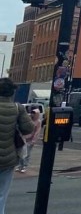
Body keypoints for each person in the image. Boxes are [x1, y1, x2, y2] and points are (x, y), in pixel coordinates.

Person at [0, 78, 33, 213]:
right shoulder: (17, 108)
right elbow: (28, 128)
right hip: (8, 159)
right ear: (12, 92)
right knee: (2, 194)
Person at [17, 108, 41, 172]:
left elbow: (37, 132)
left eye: (34, 113)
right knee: (21, 152)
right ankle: (20, 166)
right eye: (32, 113)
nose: (32, 114)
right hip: (24, 138)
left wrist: (33, 140)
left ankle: (24, 166)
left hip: (30, 140)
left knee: (27, 153)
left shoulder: (38, 122)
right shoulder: (29, 119)